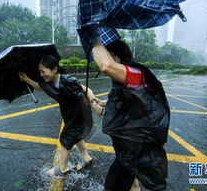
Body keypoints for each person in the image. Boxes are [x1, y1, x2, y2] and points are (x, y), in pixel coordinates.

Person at [91, 40, 170, 191]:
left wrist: (94, 39)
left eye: (108, 56)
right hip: (129, 145)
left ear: (117, 56)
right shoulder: (123, 78)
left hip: (138, 147)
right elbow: (132, 99)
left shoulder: (135, 74)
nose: (102, 62)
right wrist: (105, 102)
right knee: (132, 180)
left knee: (113, 186)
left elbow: (106, 67)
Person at [18, 55, 103, 175]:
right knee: (76, 136)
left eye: (43, 71)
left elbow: (86, 91)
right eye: (40, 72)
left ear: (54, 69)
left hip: (78, 114)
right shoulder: (48, 81)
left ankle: (62, 168)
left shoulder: (68, 81)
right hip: (68, 114)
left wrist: (94, 104)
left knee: (66, 139)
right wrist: (25, 78)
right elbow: (39, 86)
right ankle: (86, 157)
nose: (41, 75)